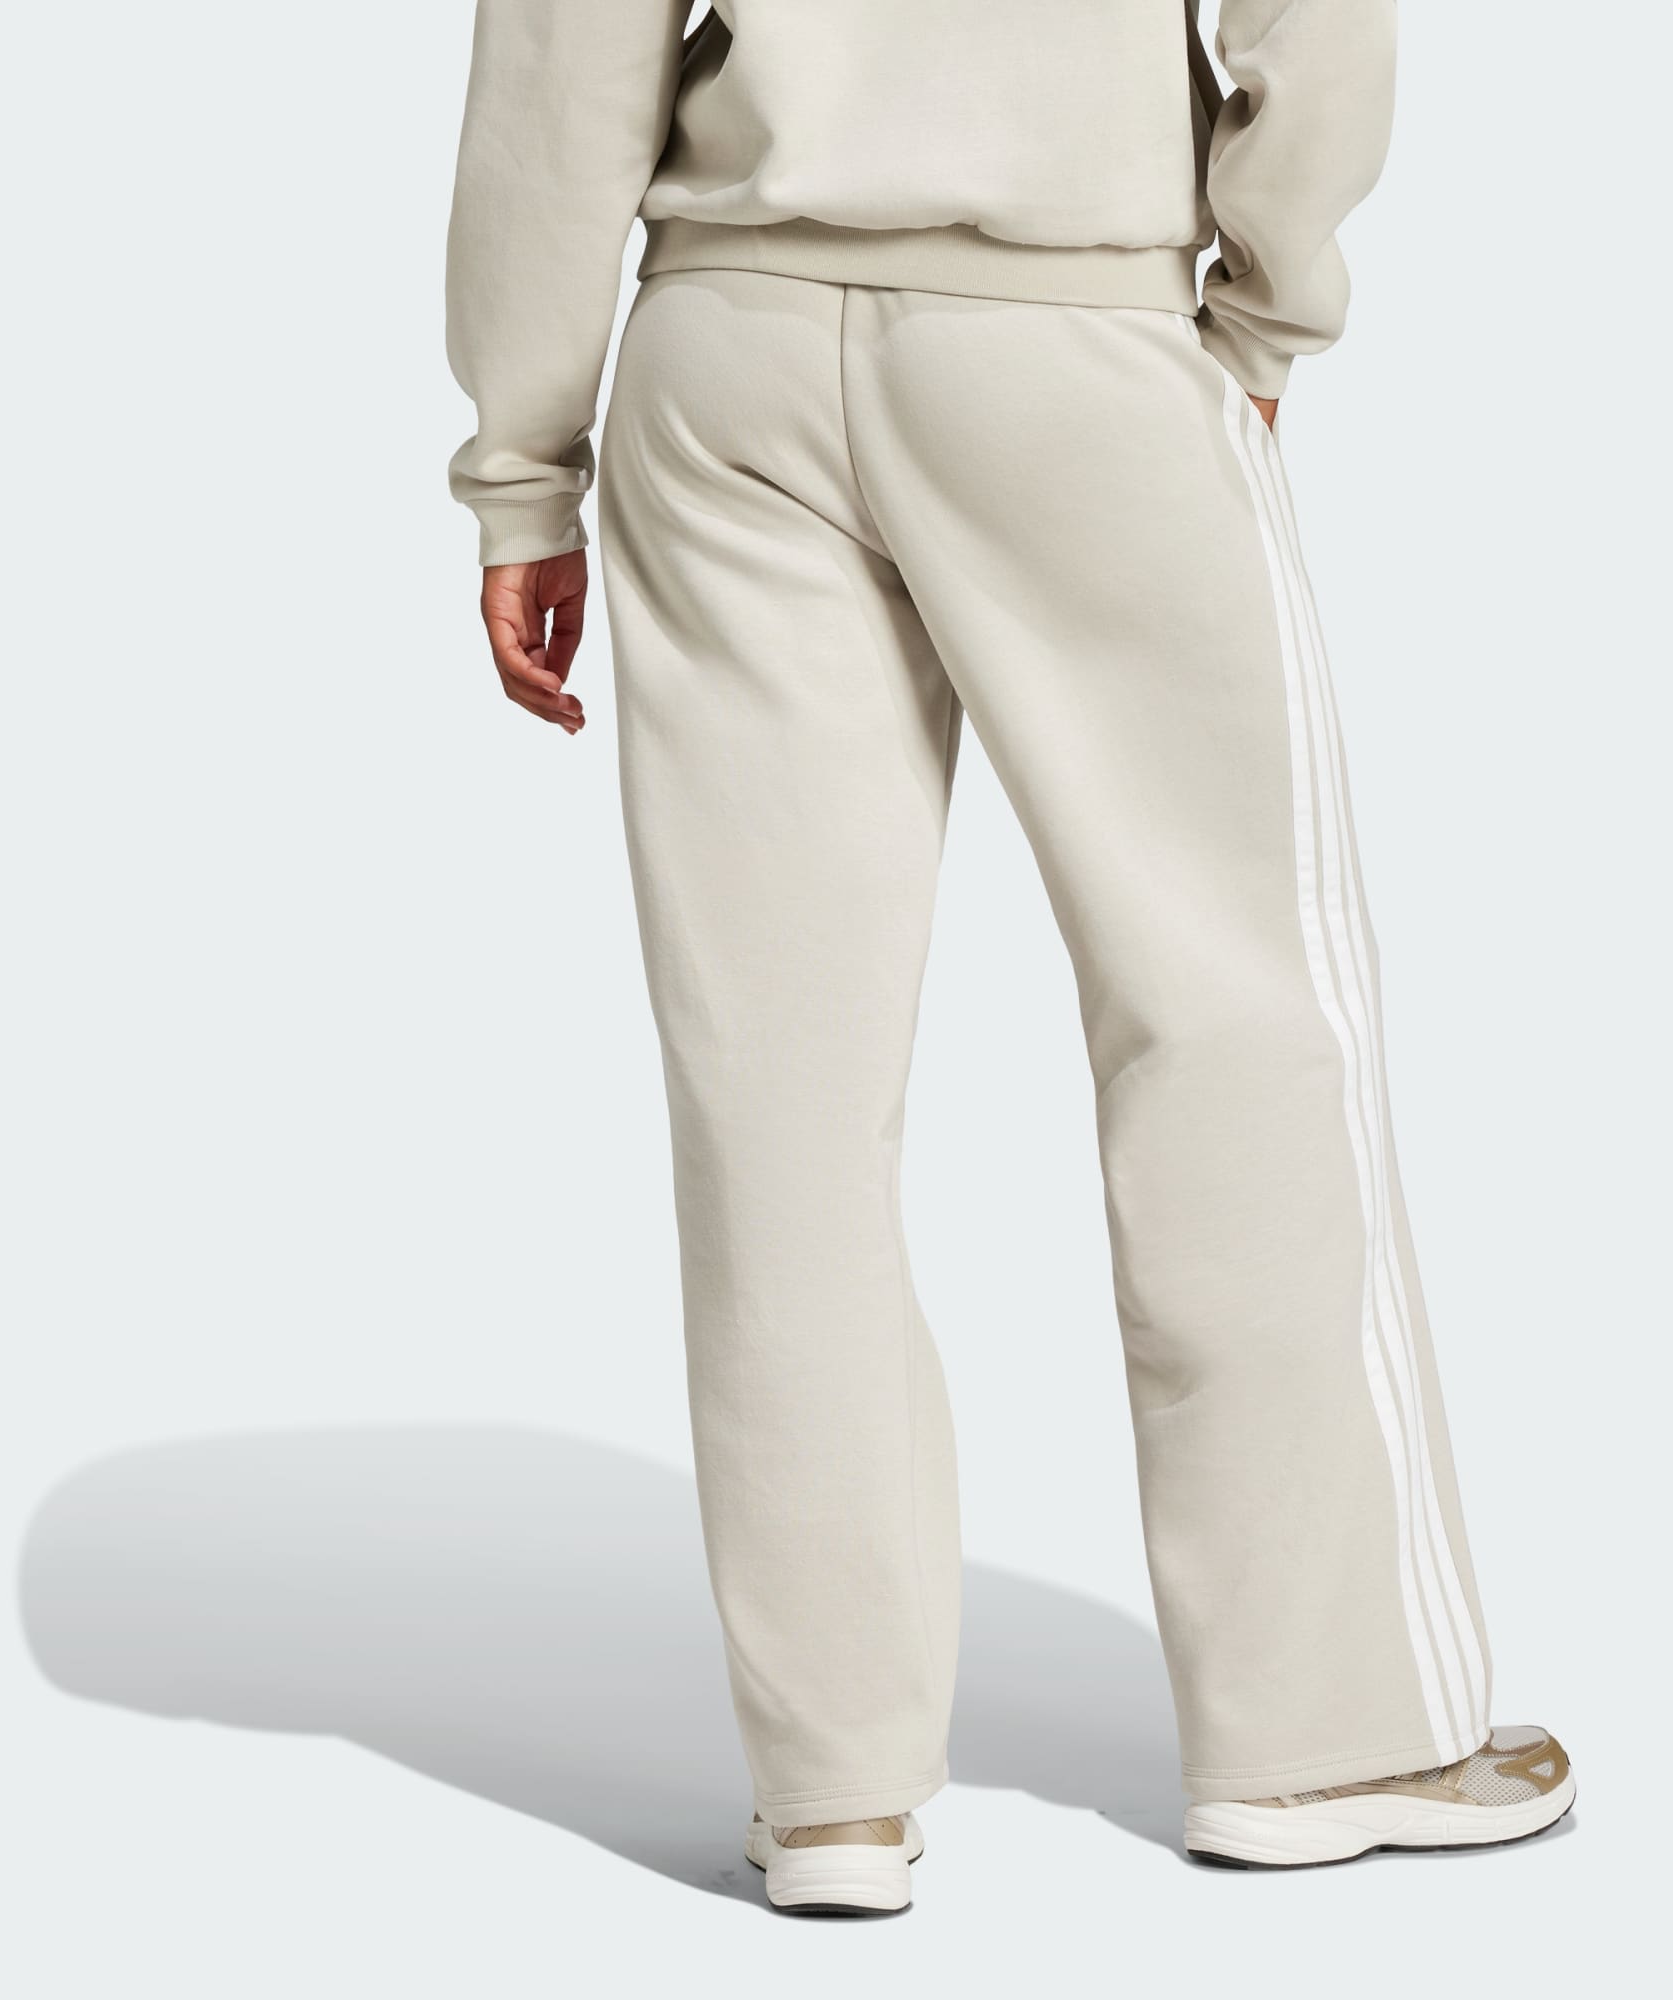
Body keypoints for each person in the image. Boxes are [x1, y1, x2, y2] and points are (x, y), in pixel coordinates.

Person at [446, 0, 1571, 1915]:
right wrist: (1266, 315)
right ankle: (1328, 1738)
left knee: (777, 1093)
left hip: (726, 356)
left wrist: (523, 458)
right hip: (1073, 328)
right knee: (1229, 1016)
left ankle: (831, 1794)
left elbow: (566, 49)